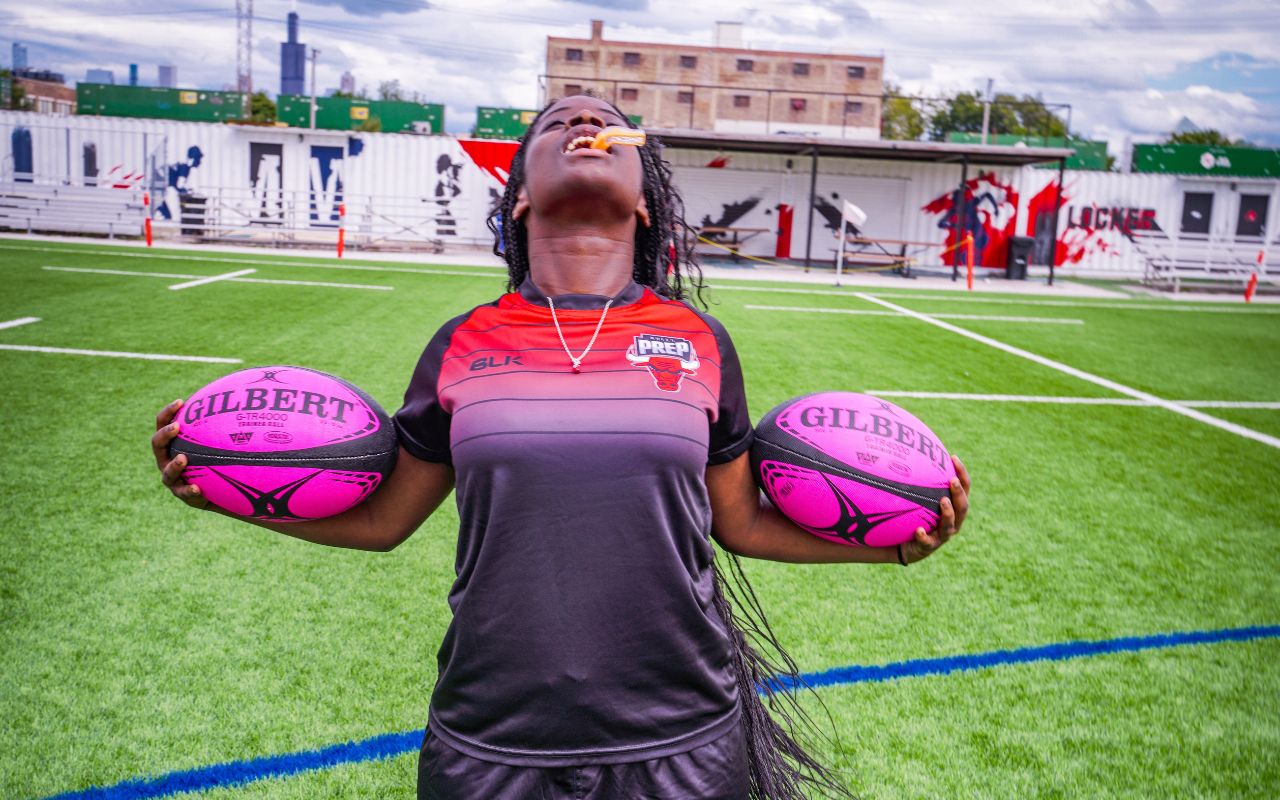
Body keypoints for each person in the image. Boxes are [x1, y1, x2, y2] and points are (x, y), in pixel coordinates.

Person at [151, 94, 971, 800]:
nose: (584, 119)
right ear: (518, 201)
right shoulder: (463, 341)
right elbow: (385, 520)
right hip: (490, 733)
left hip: (682, 735)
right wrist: (230, 495)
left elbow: (742, 526)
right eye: (556, 123)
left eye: (608, 121)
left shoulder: (698, 341)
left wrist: (897, 553)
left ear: (644, 204)